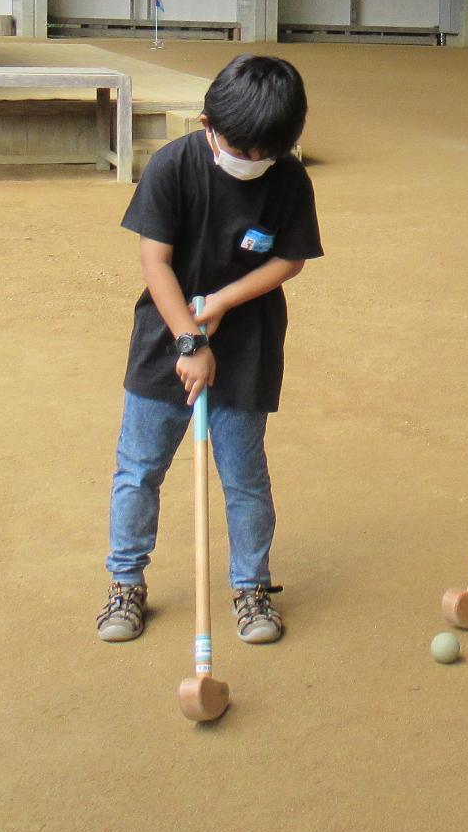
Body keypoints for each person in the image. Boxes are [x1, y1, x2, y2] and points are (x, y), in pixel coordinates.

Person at [96, 56, 323, 645]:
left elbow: (289, 258)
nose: (250, 162)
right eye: (239, 149)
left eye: (264, 153)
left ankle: (250, 586)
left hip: (247, 348)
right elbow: (155, 262)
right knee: (139, 469)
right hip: (165, 340)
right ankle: (125, 581)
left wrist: (222, 300)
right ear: (206, 124)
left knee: (244, 475)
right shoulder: (173, 166)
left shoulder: (289, 179)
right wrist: (191, 339)